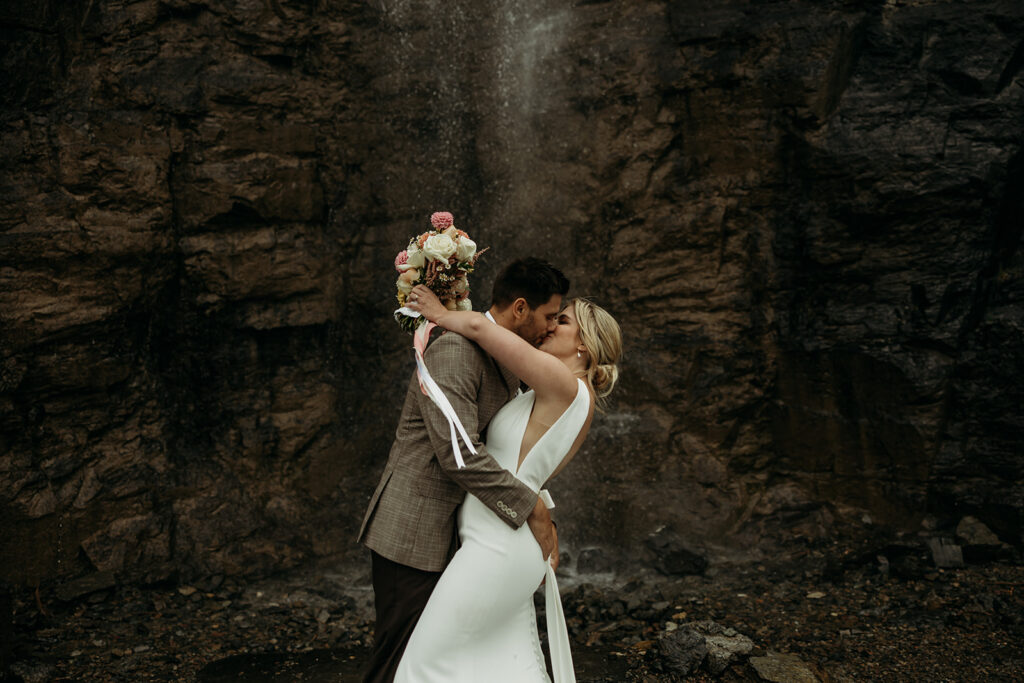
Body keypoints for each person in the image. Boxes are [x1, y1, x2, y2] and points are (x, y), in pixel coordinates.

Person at [358, 258, 571, 683]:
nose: (552, 327)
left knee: (442, 658)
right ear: (521, 308)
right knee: (399, 657)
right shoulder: (455, 349)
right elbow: (458, 453)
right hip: (414, 530)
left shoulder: (505, 358)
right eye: (550, 316)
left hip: (463, 533)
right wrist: (530, 507)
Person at [396, 283, 622, 682]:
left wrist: (440, 313)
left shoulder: (563, 382)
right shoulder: (566, 394)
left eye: (562, 321)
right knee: (500, 666)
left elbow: (484, 331)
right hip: (504, 540)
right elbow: (527, 472)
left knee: (422, 666)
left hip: (497, 547)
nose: (550, 327)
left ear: (584, 345)